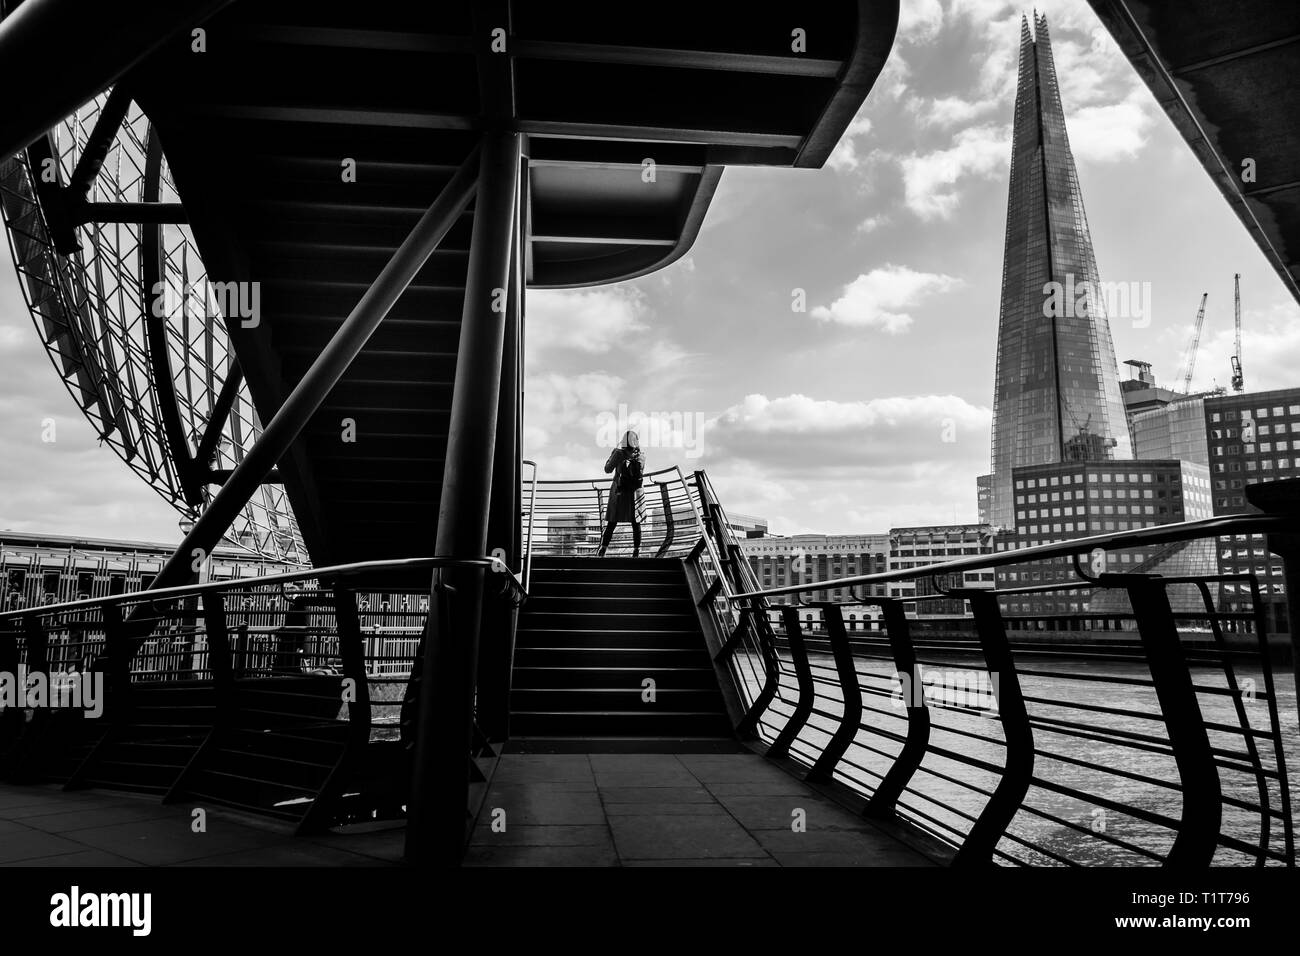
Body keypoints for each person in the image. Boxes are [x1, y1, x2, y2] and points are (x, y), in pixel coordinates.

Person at [597, 430, 646, 557]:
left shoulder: (619, 454)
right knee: (636, 522)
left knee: (612, 521)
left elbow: (607, 469)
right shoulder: (641, 456)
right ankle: (636, 551)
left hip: (619, 490)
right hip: (635, 492)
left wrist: (613, 453)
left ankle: (603, 549)